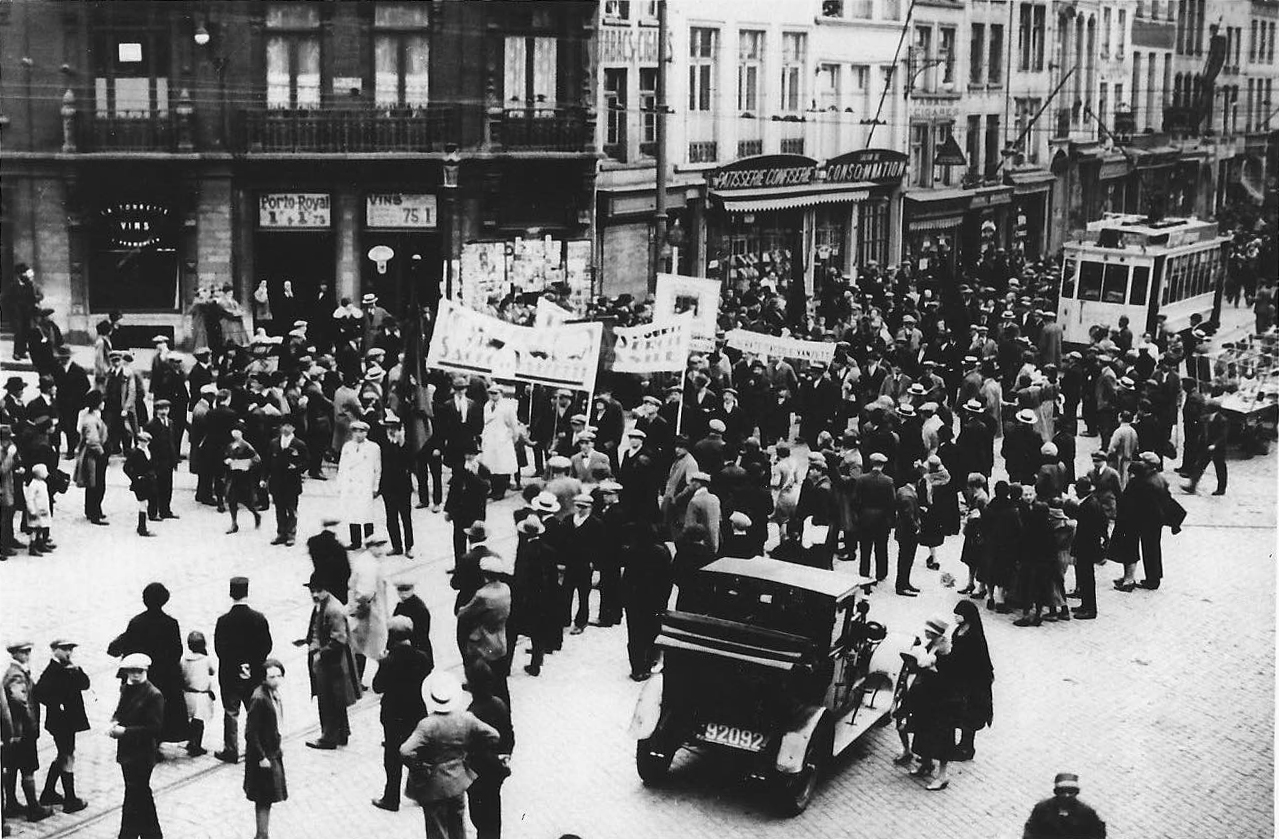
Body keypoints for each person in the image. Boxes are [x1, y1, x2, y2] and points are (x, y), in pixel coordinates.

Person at [400, 671, 500, 839]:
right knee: (458, 827)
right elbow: (493, 735)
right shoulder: (466, 718)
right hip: (458, 781)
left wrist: (419, 767)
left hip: (434, 786)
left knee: (437, 830)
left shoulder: (427, 725)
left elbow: (405, 750)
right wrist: (467, 751)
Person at [108, 583, 189, 744]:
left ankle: (142, 740)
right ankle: (157, 740)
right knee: (161, 710)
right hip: (164, 676)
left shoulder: (136, 622)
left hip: (141, 673)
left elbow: (128, 648)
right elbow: (176, 651)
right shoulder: (170, 623)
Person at [371, 616, 433, 812]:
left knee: (392, 757)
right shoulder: (422, 658)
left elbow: (377, 686)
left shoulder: (388, 661)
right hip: (416, 711)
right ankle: (423, 792)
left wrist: (381, 663)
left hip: (394, 714)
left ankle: (391, 798)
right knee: (418, 752)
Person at [214, 576, 274, 765]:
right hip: (254, 674)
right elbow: (267, 646)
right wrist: (251, 663)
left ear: (231, 594)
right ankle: (257, 748)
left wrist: (237, 664)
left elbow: (219, 649)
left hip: (230, 675)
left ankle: (231, 750)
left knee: (231, 712)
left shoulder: (223, 620)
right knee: (255, 711)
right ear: (247, 593)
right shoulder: (259, 618)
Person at [109, 653, 164, 839]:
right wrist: (114, 722)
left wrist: (125, 732)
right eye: (131, 671)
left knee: (135, 794)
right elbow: (120, 711)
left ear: (146, 671)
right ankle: (151, 835)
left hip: (142, 754)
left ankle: (129, 835)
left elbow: (154, 728)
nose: (135, 675)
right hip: (127, 752)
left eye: (139, 671)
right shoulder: (127, 689)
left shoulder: (153, 695)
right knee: (139, 794)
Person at [303, 573, 360, 749]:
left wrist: (320, 654)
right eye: (312, 590)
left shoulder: (333, 609)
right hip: (331, 659)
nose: (314, 594)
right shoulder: (323, 604)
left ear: (326, 590)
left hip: (332, 661)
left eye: (318, 590)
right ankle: (341, 734)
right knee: (336, 699)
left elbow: (339, 639)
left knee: (328, 699)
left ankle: (328, 738)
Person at [32, 639, 90, 813]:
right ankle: (70, 800)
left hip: (70, 722)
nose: (68, 653)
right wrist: (57, 704)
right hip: (60, 722)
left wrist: (78, 670)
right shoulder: (52, 670)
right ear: (54, 650)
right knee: (67, 756)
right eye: (64, 649)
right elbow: (39, 693)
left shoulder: (70, 668)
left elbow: (85, 685)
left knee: (64, 754)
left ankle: (48, 793)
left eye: (70, 649)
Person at [2, 641, 54, 822]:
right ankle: (34, 809)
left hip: (14, 732)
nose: (27, 655)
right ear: (14, 653)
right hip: (23, 731)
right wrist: (30, 718)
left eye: (28, 651)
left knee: (12, 766)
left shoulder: (14, 672)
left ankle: (11, 804)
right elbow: (18, 698)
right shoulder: (17, 674)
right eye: (23, 652)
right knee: (27, 768)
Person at [939, 601, 993, 761]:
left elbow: (975, 660)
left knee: (970, 715)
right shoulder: (959, 630)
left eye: (958, 614)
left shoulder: (974, 636)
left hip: (973, 682)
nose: (955, 617)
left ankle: (967, 748)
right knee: (960, 713)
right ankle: (961, 745)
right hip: (960, 679)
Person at [466, 663, 513, 839]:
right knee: (493, 817)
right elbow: (509, 736)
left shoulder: (472, 713)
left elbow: (472, 750)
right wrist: (504, 756)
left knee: (481, 820)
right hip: (497, 771)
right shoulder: (499, 704)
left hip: (478, 774)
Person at [457, 555, 513, 703]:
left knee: (483, 683)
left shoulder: (483, 595)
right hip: (500, 641)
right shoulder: (506, 589)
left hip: (483, 645)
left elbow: (464, 614)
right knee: (501, 683)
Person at [622, 524, 674, 682]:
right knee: (652, 632)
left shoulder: (631, 552)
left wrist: (625, 599)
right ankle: (647, 665)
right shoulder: (662, 552)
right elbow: (667, 580)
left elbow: (626, 578)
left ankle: (636, 668)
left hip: (634, 600)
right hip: (654, 600)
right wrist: (664, 600)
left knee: (634, 634)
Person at [244, 659, 288, 839]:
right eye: (272, 677)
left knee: (267, 797)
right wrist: (261, 757)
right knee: (263, 798)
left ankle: (263, 834)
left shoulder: (272, 694)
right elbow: (251, 732)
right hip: (263, 757)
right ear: (264, 678)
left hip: (272, 752)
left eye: (279, 676)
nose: (276, 680)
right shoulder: (259, 698)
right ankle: (261, 835)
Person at [348, 536, 391, 685]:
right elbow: (367, 593)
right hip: (370, 613)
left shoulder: (364, 559)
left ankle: (357, 680)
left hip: (365, 611)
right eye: (377, 546)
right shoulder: (370, 565)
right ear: (369, 547)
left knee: (361, 647)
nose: (380, 550)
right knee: (377, 647)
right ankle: (381, 681)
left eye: (382, 546)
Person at [337, 420, 381, 548]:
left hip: (365, 484)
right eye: (355, 431)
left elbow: (377, 469)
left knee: (367, 514)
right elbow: (342, 466)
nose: (358, 434)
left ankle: (369, 541)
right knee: (353, 513)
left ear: (366, 433)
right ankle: (355, 541)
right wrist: (340, 484)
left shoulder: (373, 447)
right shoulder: (347, 447)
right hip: (351, 485)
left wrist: (376, 486)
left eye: (361, 431)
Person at [1023, 772, 1107, 839]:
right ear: (1056, 792)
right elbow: (1030, 831)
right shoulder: (1042, 809)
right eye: (1062, 791)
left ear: (1076, 793)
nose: (1067, 795)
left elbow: (1098, 833)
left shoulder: (1086, 812)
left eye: (1071, 792)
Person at [1067, 477, 1106, 620]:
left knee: (1087, 577)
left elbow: (1085, 531)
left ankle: (1090, 609)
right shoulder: (1092, 502)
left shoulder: (1087, 506)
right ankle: (1085, 604)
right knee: (1084, 577)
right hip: (1088, 546)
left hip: (1086, 547)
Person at [445, 445, 490, 564]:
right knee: (458, 540)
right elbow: (453, 490)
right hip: (460, 510)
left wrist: (475, 475)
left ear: (476, 455)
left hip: (475, 510)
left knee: (475, 540)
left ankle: (473, 565)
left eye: (472, 454)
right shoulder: (459, 467)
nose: (469, 456)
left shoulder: (482, 469)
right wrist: (448, 510)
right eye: (467, 454)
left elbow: (486, 488)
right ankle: (459, 565)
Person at [267, 421, 308, 546]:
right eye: (284, 425)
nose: (285, 428)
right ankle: (281, 533)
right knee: (279, 509)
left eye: (289, 426)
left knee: (291, 509)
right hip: (277, 481)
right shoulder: (274, 443)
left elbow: (307, 461)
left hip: (292, 482)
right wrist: (264, 478)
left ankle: (291, 534)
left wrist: (297, 468)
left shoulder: (299, 444)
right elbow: (267, 461)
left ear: (294, 428)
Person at [379, 418, 415, 557]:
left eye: (394, 428)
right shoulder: (383, 444)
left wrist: (401, 444)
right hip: (388, 486)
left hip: (403, 487)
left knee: (406, 517)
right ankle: (396, 546)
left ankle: (409, 546)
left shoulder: (406, 445)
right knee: (391, 517)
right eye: (389, 428)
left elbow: (411, 463)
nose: (391, 431)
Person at [74, 390, 110, 525]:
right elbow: (92, 441)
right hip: (94, 457)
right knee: (97, 485)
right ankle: (95, 514)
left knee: (92, 484)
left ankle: (91, 510)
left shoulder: (90, 417)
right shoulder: (91, 420)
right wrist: (102, 453)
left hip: (91, 455)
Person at [480, 383, 520, 500]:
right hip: (490, 439)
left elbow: (513, 424)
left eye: (495, 393)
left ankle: (500, 491)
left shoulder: (507, 406)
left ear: (501, 394)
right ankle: (493, 489)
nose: (493, 396)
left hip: (503, 440)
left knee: (502, 467)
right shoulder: (487, 405)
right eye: (490, 393)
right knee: (490, 466)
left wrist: (513, 437)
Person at [180, 631, 215, 757]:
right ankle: (196, 746)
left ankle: (191, 741)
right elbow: (212, 671)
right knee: (199, 722)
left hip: (188, 693)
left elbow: (181, 673)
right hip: (201, 695)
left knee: (190, 720)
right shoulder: (206, 660)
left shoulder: (184, 659)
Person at [223, 423, 263, 534]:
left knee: (246, 500)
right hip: (232, 475)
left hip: (243, 477)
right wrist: (227, 461)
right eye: (233, 430)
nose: (235, 433)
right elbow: (225, 456)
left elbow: (257, 459)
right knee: (231, 499)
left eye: (237, 431)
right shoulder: (230, 445)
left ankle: (255, 514)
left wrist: (244, 463)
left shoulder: (246, 446)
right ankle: (234, 523)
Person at [145, 400, 179, 521]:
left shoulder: (170, 423)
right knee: (155, 488)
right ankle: (153, 512)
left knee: (167, 486)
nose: (164, 412)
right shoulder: (151, 425)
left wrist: (174, 459)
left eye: (166, 409)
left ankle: (165, 510)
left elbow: (172, 442)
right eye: (161, 409)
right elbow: (148, 444)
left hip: (168, 460)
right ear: (156, 410)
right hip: (157, 461)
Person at [123, 429, 159, 537]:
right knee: (142, 504)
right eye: (142, 441)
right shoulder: (135, 452)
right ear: (139, 441)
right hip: (140, 482)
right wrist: (135, 478)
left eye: (146, 441)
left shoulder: (148, 451)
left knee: (146, 503)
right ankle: (142, 528)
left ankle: (141, 527)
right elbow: (126, 468)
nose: (145, 443)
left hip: (148, 481)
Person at [307, 519, 351, 605]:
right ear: (335, 528)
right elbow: (346, 571)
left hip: (318, 580)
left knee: (320, 606)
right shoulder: (338, 547)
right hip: (336, 584)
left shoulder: (312, 542)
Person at [391, 581, 435, 666]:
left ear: (412, 589)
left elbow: (421, 634)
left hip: (418, 650)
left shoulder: (419, 608)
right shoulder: (402, 605)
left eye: (406, 590)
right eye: (400, 590)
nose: (403, 593)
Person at [21, 465, 53, 556]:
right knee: (34, 529)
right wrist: (32, 510)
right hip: (35, 511)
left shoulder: (43, 484)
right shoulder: (33, 485)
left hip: (42, 511)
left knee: (41, 527)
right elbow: (29, 499)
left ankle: (40, 543)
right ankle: (32, 546)